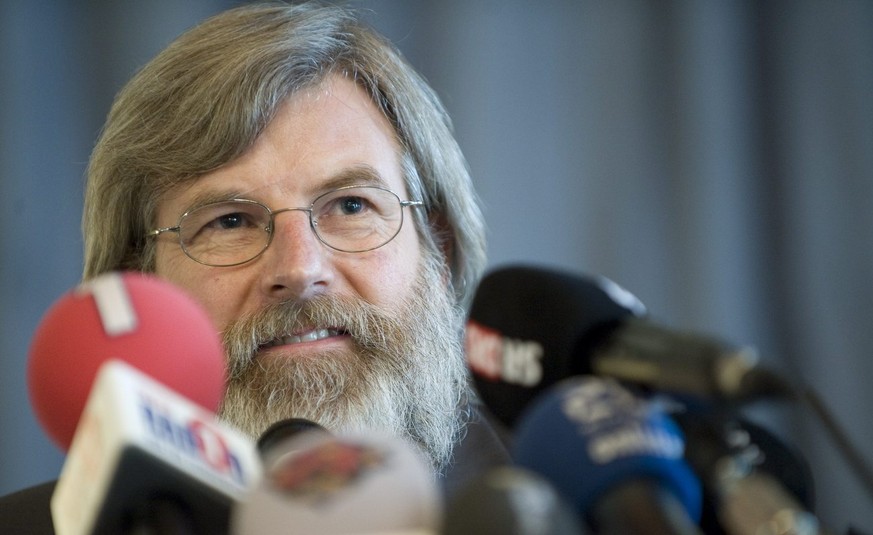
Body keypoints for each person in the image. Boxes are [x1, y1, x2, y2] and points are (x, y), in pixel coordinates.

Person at [0, 2, 509, 531]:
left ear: (440, 251)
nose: (299, 268)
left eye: (352, 206)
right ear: (139, 281)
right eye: (229, 222)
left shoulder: (571, 508)